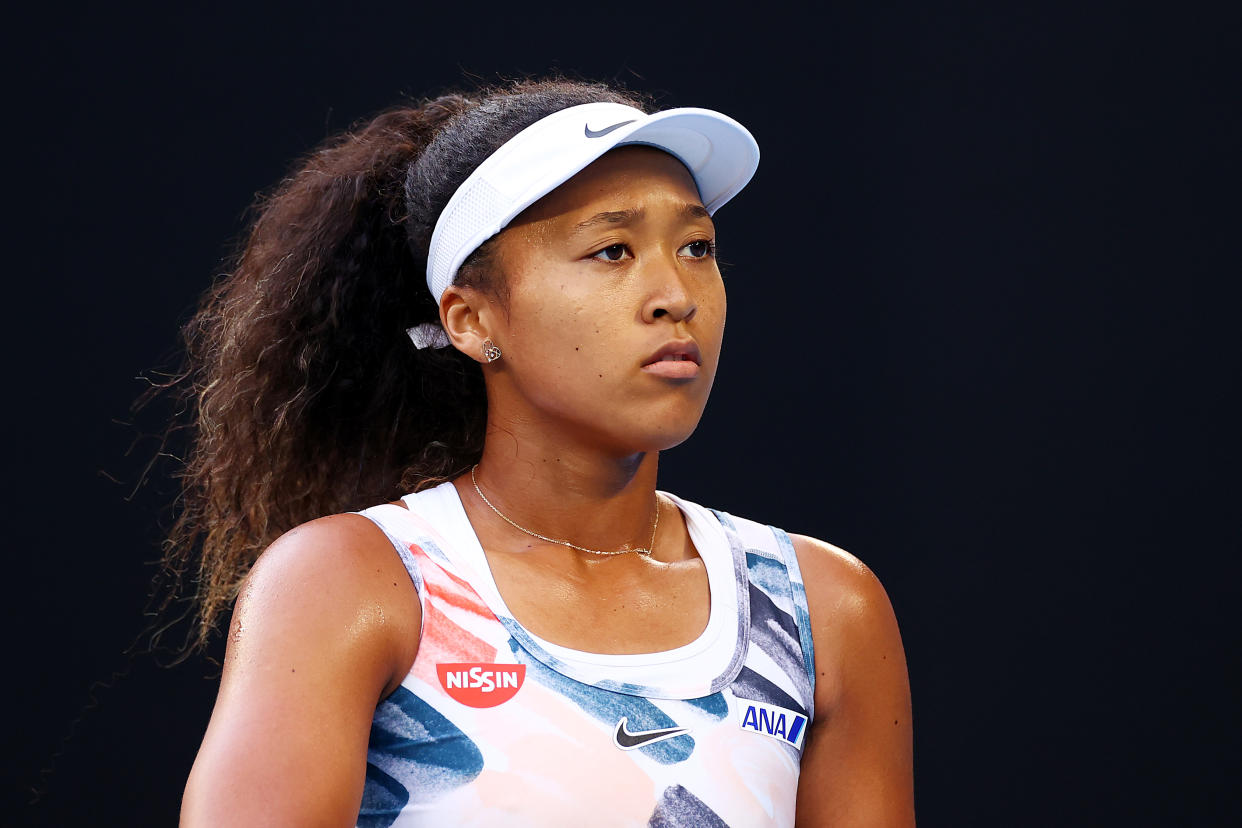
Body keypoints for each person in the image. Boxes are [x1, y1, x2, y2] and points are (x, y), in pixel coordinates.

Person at [174, 78, 914, 826]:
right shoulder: (349, 583)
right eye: (611, 249)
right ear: (470, 319)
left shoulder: (823, 608)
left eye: (697, 247)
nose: (676, 294)